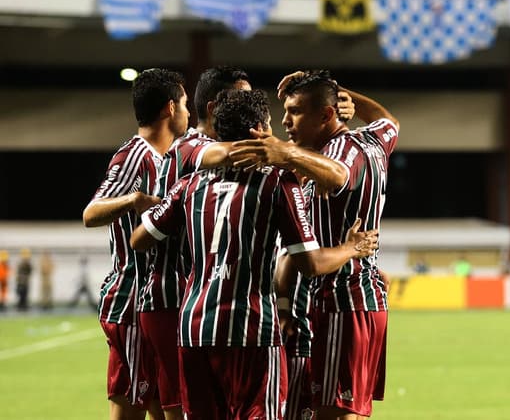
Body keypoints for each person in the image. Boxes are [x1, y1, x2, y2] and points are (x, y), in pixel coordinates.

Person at [129, 88, 377, 420]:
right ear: (259, 129)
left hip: (194, 329)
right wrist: (352, 248)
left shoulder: (190, 185)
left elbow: (139, 239)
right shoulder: (276, 182)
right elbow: (311, 263)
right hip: (252, 330)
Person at [228, 70, 399, 420]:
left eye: (296, 111)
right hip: (351, 303)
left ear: (326, 116)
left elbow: (338, 174)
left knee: (333, 412)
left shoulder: (340, 150)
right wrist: (339, 91)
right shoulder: (374, 140)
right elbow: (388, 120)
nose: (285, 121)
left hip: (340, 300)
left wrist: (287, 154)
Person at [136, 65, 251, 420]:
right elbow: (221, 156)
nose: (251, 107)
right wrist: (280, 148)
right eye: (244, 100)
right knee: (185, 410)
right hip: (173, 297)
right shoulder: (192, 145)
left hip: (197, 301)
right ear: (216, 106)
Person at [83, 68, 189, 420]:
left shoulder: (165, 158)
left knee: (162, 405)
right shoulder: (134, 155)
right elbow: (91, 213)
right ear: (170, 108)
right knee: (130, 406)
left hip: (154, 304)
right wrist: (133, 200)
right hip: (131, 301)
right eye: (186, 104)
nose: (189, 113)